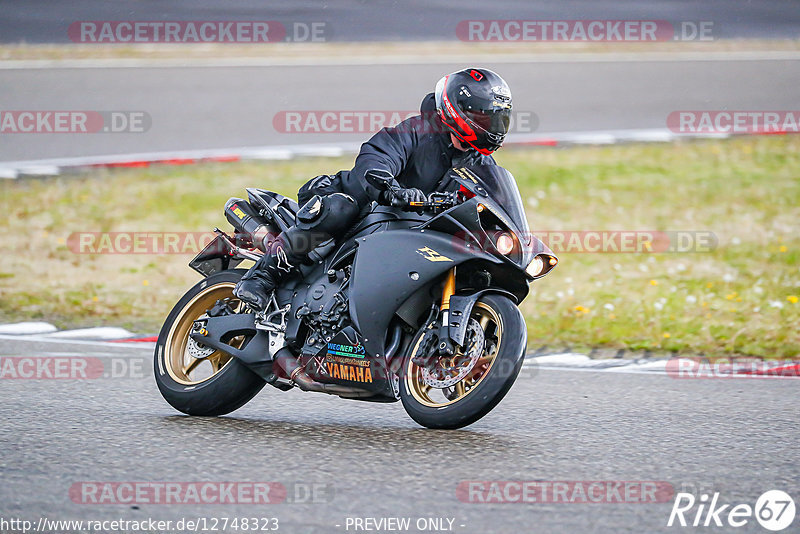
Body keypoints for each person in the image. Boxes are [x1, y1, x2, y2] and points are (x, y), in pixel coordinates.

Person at [233, 67, 513, 312]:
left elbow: (491, 202)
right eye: (487, 119)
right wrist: (393, 188)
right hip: (364, 205)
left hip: (415, 232)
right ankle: (262, 276)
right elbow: (377, 157)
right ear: (460, 112)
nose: (495, 128)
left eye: (500, 120)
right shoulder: (418, 131)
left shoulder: (480, 163)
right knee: (340, 208)